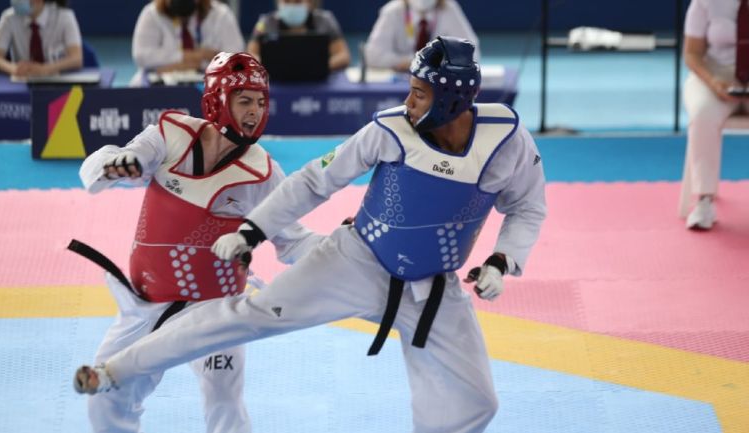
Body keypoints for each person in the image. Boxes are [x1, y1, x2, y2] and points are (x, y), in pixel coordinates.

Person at [74, 37, 547, 433]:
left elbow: (528, 206)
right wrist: (251, 231)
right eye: (245, 100)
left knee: (479, 402)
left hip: (429, 286)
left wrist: (502, 260)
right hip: (344, 265)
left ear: (451, 99)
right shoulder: (168, 133)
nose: (409, 101)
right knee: (239, 321)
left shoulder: (506, 141)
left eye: (420, 94)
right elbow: (316, 180)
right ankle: (114, 371)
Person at [72, 52, 322, 433]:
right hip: (146, 303)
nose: (255, 111)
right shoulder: (168, 135)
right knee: (106, 397)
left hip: (216, 308)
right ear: (216, 101)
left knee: (224, 403)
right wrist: (118, 164)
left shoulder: (263, 173)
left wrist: (345, 250)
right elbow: (108, 163)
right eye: (244, 101)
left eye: (260, 101)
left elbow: (294, 241)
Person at [680, 0, 749, 230]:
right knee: (702, 113)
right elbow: (692, 53)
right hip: (713, 74)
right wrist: (714, 82)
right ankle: (704, 200)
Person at [130, 0, 244, 86]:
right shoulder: (151, 14)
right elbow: (142, 56)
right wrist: (193, 56)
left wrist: (198, 65)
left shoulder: (221, 15)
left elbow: (236, 58)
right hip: (158, 82)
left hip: (212, 84)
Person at [364, 0, 478, 72]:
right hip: (400, 80)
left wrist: (439, 63)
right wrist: (405, 62)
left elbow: (472, 53)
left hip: (438, 81)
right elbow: (372, 56)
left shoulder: (449, 9)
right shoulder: (392, 11)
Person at [247, 0, 350, 71]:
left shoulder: (326, 20)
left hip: (316, 82)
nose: (291, 6)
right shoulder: (264, 22)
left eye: (297, 1)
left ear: (309, 2)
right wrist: (269, 67)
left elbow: (343, 56)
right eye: (286, 1)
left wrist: (318, 68)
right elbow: (250, 55)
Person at [0, 0, 83, 77]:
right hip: (22, 79)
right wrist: (14, 69)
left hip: (55, 77)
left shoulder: (65, 16)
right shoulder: (9, 17)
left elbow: (76, 58)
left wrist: (45, 69)